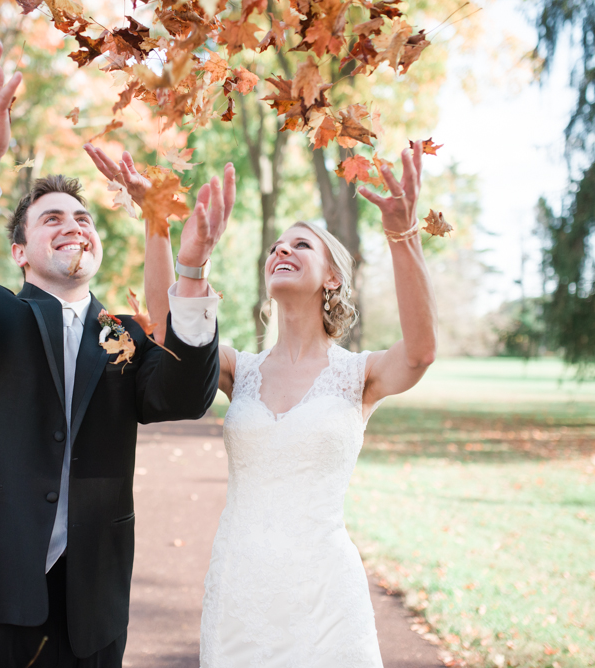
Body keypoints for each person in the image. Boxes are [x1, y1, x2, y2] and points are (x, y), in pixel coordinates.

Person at [0, 29, 235, 668]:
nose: (73, 226)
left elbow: (182, 393)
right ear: (20, 252)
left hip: (91, 603)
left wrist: (188, 265)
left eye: (83, 218)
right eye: (51, 219)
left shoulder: (119, 334)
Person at [99, 141, 437, 666]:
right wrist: (158, 225)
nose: (280, 251)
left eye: (299, 245)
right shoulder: (241, 370)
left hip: (326, 596)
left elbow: (420, 353)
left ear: (332, 277)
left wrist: (401, 234)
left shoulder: (359, 375)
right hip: (241, 588)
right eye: (276, 246)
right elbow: (170, 331)